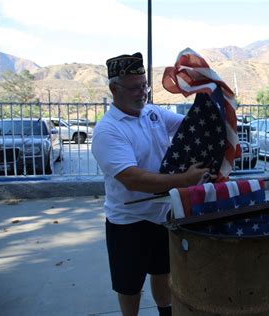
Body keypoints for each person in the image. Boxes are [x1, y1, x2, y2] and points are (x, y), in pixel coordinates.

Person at [92, 52, 211, 316]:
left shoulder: (153, 114)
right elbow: (133, 179)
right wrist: (184, 180)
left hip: (161, 216)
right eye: (134, 88)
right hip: (128, 222)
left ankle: (165, 312)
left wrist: (213, 104)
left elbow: (190, 127)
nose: (142, 93)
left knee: (162, 271)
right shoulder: (108, 131)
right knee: (130, 286)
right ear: (114, 88)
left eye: (144, 86)